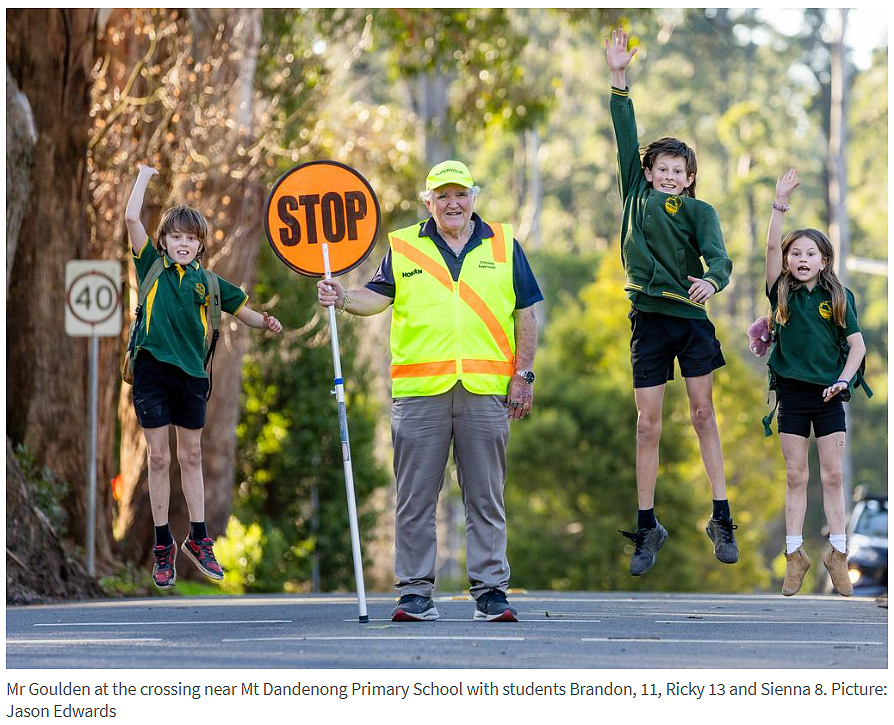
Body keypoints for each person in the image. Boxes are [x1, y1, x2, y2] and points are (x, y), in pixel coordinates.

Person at [317, 160, 542, 622]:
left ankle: (491, 593)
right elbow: (374, 298)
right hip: (420, 395)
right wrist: (341, 297)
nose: (452, 203)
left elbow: (526, 315)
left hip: (486, 392)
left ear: (473, 197)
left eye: (460, 194)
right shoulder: (402, 246)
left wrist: (525, 374)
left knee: (487, 497)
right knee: (415, 499)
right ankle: (415, 593)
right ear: (429, 202)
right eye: (442, 195)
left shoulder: (503, 245)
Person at [605, 29, 737, 576]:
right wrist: (618, 77)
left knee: (703, 414)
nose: (667, 176)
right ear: (648, 172)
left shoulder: (701, 212)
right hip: (649, 320)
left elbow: (721, 262)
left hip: (690, 321)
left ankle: (721, 517)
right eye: (660, 168)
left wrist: (713, 282)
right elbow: (624, 130)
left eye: (677, 172)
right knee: (648, 424)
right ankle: (646, 525)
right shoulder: (635, 191)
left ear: (688, 180)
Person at [124, 164, 282, 589]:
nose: (182, 243)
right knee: (159, 458)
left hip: (192, 376)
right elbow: (131, 218)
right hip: (152, 370)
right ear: (164, 241)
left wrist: (263, 321)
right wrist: (143, 177)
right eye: (175, 236)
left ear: (200, 246)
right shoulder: (150, 268)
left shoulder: (209, 283)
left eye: (190, 238)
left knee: (190, 456)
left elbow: (241, 309)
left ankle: (198, 538)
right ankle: (163, 546)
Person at [765, 168, 865, 597]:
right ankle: (795, 556)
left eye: (811, 254)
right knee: (795, 475)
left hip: (829, 394)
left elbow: (858, 348)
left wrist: (843, 382)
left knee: (833, 477)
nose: (802, 260)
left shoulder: (839, 298)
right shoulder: (780, 293)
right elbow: (770, 244)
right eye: (795, 254)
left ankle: (837, 554)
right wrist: (779, 203)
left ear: (824, 261)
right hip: (792, 394)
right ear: (788, 261)